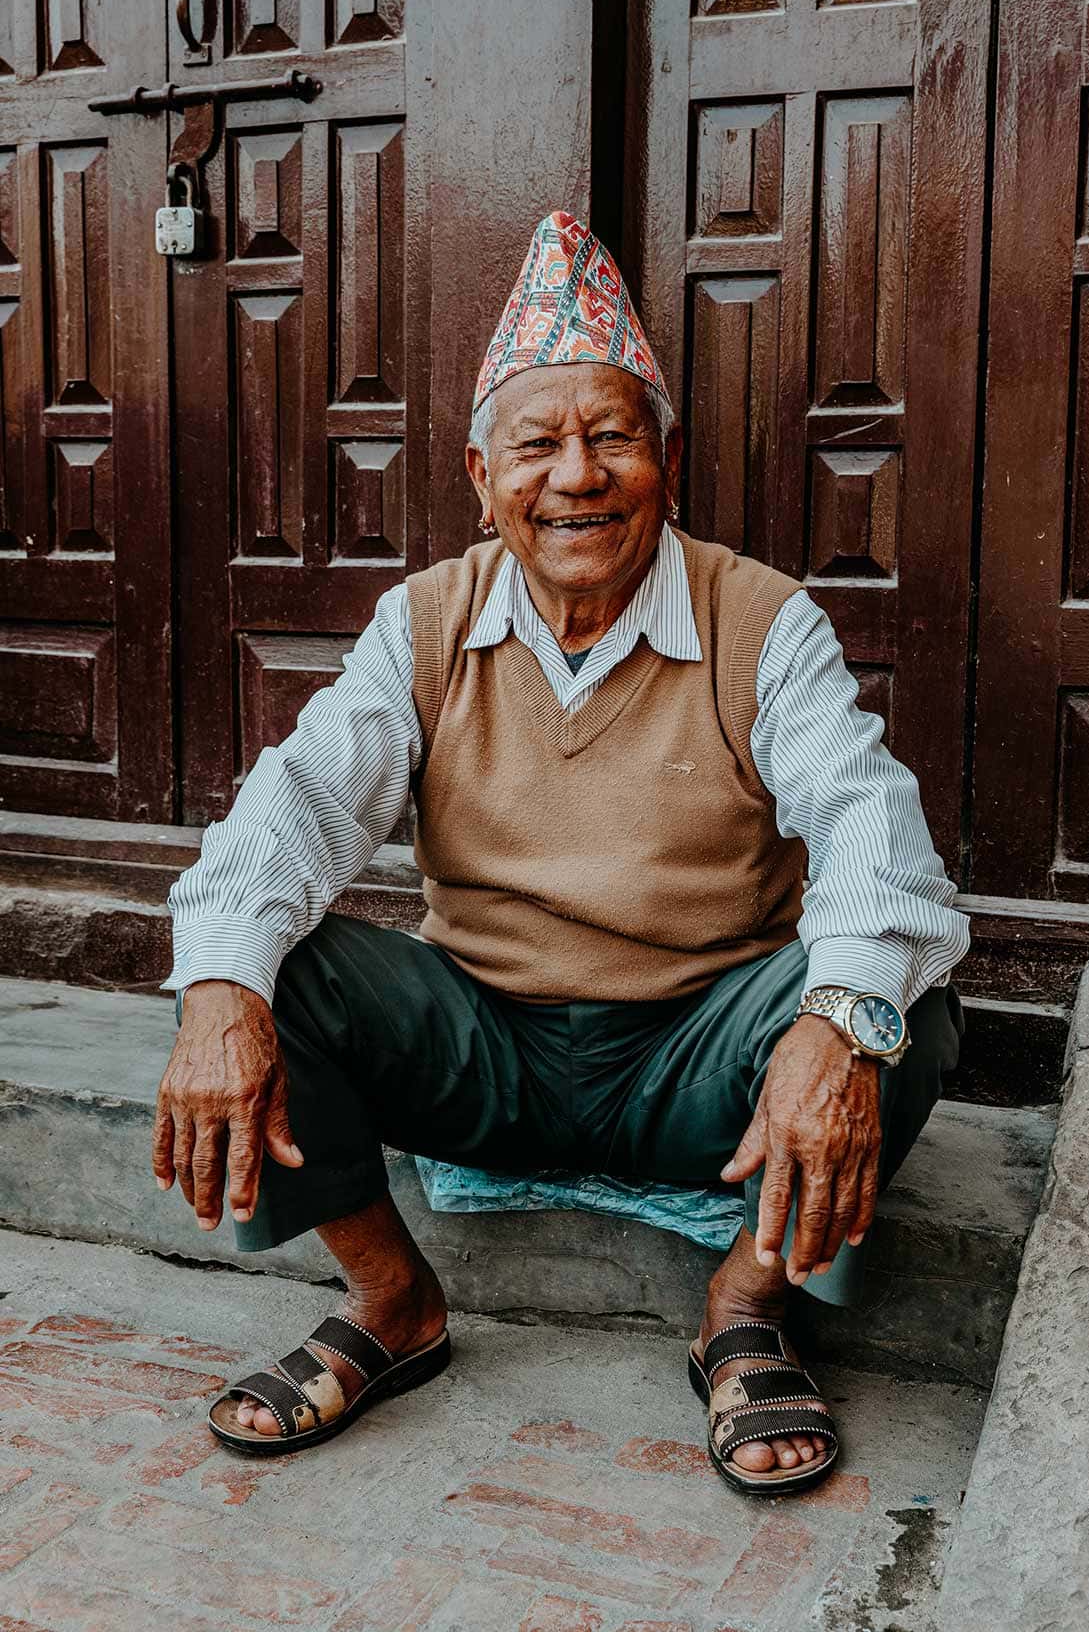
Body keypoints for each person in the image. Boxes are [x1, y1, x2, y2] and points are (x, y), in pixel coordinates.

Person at [156, 210, 968, 1495]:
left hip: (699, 1058)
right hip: (488, 1042)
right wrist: (218, 990)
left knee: (896, 1009)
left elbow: (869, 825)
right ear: (482, 481)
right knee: (254, 969)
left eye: (612, 436)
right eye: (535, 443)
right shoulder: (423, 621)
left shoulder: (762, 618)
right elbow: (299, 801)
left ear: (669, 459)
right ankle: (390, 1300)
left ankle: (747, 1307)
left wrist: (835, 1025)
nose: (575, 474)